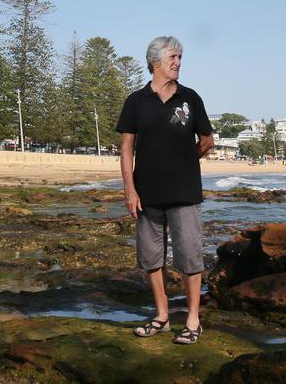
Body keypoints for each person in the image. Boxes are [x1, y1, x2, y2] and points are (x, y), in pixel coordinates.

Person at [116, 36, 214, 344]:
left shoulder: (191, 98)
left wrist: (183, 159)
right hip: (147, 193)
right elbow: (126, 148)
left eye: (180, 57)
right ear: (155, 61)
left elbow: (207, 140)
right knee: (151, 258)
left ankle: (193, 320)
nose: (178, 62)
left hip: (185, 192)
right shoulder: (136, 101)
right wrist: (130, 190)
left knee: (189, 257)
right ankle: (162, 316)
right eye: (173, 57)